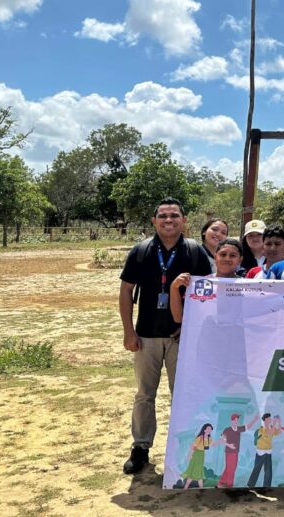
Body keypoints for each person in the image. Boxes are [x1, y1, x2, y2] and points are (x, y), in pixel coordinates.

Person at [118, 197, 211, 475]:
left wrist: (192, 328)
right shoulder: (140, 251)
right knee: (144, 395)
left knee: (181, 395)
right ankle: (141, 447)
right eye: (163, 216)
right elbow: (126, 291)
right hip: (145, 336)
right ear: (153, 221)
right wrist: (128, 331)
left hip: (181, 338)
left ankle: (184, 450)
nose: (168, 220)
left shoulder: (194, 251)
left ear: (184, 220)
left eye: (174, 215)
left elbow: (206, 293)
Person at [170, 238, 243, 324]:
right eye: (223, 254)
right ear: (215, 257)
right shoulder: (202, 284)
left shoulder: (247, 287)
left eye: (233, 255)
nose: (227, 259)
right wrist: (174, 287)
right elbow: (179, 318)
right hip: (203, 332)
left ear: (240, 260)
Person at [217, 412, 260, 489]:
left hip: (235, 452)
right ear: (232, 421)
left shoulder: (239, 429)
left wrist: (255, 419)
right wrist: (229, 445)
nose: (236, 421)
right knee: (230, 468)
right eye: (235, 420)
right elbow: (221, 440)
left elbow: (248, 426)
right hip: (229, 452)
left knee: (231, 468)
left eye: (237, 420)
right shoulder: (227, 430)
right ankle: (229, 485)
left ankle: (222, 482)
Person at [247, 413, 284, 488]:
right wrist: (274, 423)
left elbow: (279, 432)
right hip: (260, 452)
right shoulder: (261, 429)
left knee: (268, 471)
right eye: (269, 418)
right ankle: (250, 484)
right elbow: (269, 433)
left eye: (270, 418)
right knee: (257, 469)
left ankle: (266, 486)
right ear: (265, 419)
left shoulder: (271, 427)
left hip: (268, 451)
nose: (270, 419)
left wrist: (279, 422)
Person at [182, 423, 225, 489]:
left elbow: (214, 444)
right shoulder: (200, 438)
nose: (209, 430)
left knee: (198, 473)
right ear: (204, 430)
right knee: (194, 473)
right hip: (196, 455)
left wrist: (220, 441)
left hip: (201, 455)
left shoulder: (209, 438)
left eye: (210, 429)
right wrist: (189, 455)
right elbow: (193, 446)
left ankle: (196, 488)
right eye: (208, 429)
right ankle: (187, 488)